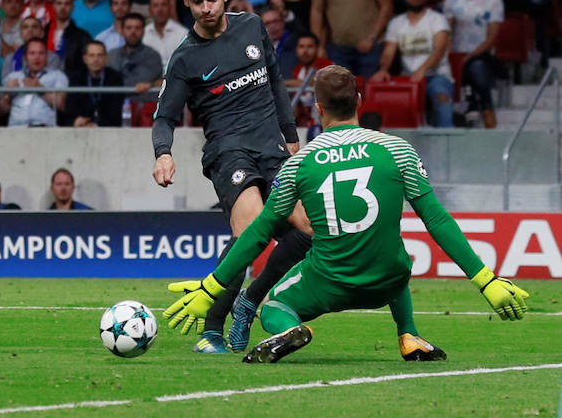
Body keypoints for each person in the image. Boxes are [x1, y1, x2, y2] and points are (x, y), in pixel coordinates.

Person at [162, 64, 530, 364]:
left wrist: (211, 287)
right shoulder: (397, 150)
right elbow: (436, 219)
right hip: (386, 281)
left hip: (329, 283)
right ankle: (408, 335)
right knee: (393, 254)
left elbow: (258, 232)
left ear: (318, 109)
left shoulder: (299, 164)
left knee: (273, 305)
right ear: (358, 100)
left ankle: (289, 328)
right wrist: (486, 280)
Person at [152, 0, 312, 354]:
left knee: (308, 231)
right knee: (253, 230)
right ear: (186, 3)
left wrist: (292, 138)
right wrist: (163, 154)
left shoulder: (252, 27)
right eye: (196, 2)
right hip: (228, 153)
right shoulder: (185, 57)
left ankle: (250, 300)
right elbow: (164, 116)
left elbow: (276, 82)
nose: (206, 8)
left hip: (272, 149)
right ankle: (211, 330)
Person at [371, 0, 454, 128]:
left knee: (442, 97)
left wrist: (422, 70)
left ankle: (447, 144)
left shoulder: (437, 19)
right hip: (407, 78)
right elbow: (389, 51)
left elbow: (439, 49)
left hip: (436, 76)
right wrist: (383, 69)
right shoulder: (396, 23)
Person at [443, 0, 504, 128]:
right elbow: (445, 33)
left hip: (481, 55)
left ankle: (484, 111)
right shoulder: (452, 1)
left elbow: (492, 38)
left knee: (477, 69)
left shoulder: (493, 1)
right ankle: (471, 107)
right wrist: (451, 57)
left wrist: (469, 56)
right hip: (455, 55)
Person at [0, 38, 68, 127]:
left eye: (41, 53)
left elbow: (61, 104)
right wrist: (7, 93)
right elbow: (1, 111)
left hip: (45, 129)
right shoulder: (12, 77)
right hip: (16, 128)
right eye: (32, 53)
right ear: (25, 57)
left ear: (46, 57)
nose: (37, 57)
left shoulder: (58, 76)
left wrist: (40, 90)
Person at [65, 40, 125, 126]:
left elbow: (115, 110)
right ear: (85, 59)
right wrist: (77, 121)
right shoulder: (76, 79)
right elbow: (71, 109)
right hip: (82, 129)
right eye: (91, 55)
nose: (96, 60)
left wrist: (95, 124)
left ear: (105, 59)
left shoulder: (115, 78)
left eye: (99, 55)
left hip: (109, 129)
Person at [107, 13, 164, 103]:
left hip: (143, 105)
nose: (133, 32)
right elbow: (107, 81)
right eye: (129, 28)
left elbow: (141, 81)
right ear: (122, 31)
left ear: (143, 31)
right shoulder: (111, 55)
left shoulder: (153, 56)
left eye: (137, 28)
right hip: (114, 104)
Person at [285, 32, 331, 126]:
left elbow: (312, 83)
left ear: (317, 49)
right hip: (302, 123)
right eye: (301, 47)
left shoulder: (327, 65)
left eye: (310, 47)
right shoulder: (297, 69)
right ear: (296, 50)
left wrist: (285, 83)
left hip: (323, 122)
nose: (305, 51)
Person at [50, 0, 93, 75]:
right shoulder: (43, 32)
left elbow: (87, 65)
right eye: (59, 3)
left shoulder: (83, 36)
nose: (62, 7)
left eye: (67, 4)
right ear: (53, 6)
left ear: (72, 7)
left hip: (72, 83)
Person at [143, 0, 189, 68]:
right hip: (149, 79)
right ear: (150, 10)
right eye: (155, 5)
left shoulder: (183, 33)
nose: (160, 10)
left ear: (170, 8)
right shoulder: (143, 33)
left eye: (163, 5)